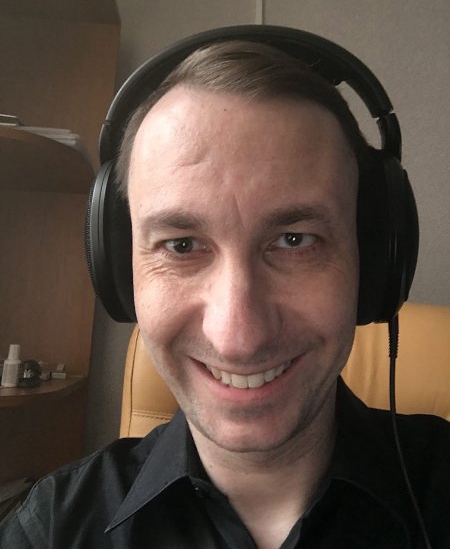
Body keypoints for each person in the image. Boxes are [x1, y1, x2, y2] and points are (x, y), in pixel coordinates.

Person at [1, 32, 449, 549]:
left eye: (295, 240)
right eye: (181, 245)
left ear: (372, 261)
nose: (239, 336)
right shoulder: (53, 528)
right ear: (121, 272)